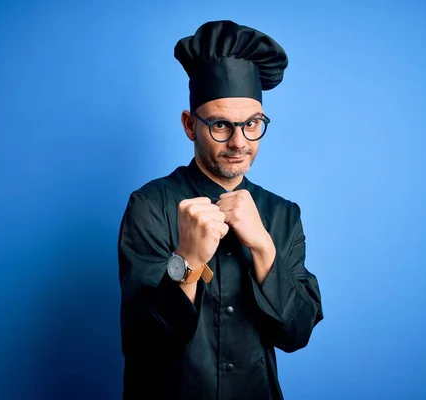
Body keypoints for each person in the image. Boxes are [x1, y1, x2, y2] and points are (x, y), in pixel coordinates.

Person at [117, 20, 324, 400]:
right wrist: (187, 262)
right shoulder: (149, 205)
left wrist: (264, 248)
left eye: (252, 124)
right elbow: (142, 346)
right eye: (220, 126)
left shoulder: (282, 215)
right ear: (189, 125)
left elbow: (297, 335)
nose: (239, 142)